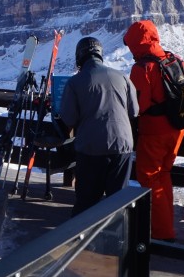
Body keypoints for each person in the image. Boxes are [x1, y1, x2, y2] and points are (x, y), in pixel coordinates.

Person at [59, 36, 138, 216]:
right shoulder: (122, 77)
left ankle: (82, 232)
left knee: (87, 202)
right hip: (122, 145)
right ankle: (116, 231)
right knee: (117, 201)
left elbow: (69, 118)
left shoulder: (74, 82)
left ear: (80, 56)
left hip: (91, 147)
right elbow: (134, 111)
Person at [123, 19, 184, 241]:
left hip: (154, 132)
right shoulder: (175, 60)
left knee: (149, 179)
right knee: (164, 175)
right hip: (177, 129)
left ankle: (161, 232)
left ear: (136, 43)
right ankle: (166, 225)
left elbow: (138, 107)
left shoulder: (142, 68)